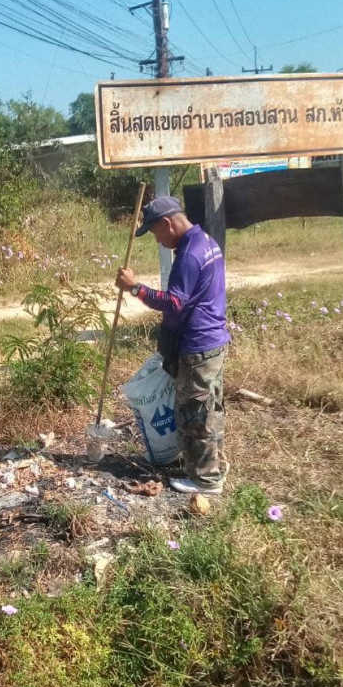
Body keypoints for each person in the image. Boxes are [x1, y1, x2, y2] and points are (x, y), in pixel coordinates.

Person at [115, 195, 229, 495]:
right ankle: (215, 468)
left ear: (167, 223)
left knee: (194, 414)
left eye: (156, 233)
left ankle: (204, 480)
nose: (158, 241)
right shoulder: (208, 243)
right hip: (215, 341)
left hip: (198, 345)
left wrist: (135, 288)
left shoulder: (190, 254)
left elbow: (175, 303)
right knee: (212, 408)